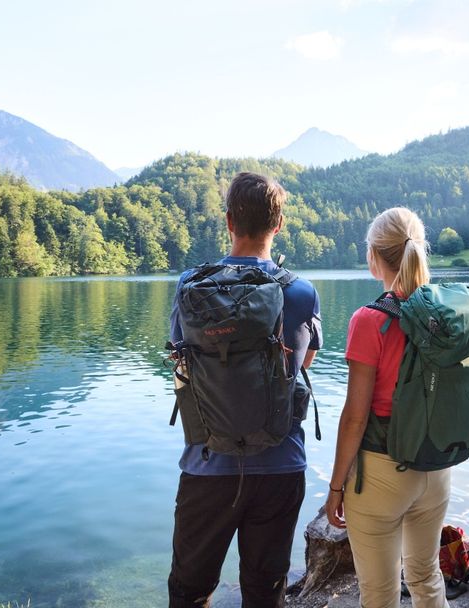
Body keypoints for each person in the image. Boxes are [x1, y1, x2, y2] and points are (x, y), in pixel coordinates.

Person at [167, 172, 323, 608]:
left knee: (189, 591)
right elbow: (301, 363)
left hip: (207, 466)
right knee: (264, 590)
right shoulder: (300, 292)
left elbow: (182, 363)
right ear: (279, 223)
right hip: (280, 464)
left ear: (229, 221)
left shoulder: (190, 286)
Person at [325, 207, 450, 608]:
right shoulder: (444, 312)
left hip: (383, 471)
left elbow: (355, 416)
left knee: (379, 595)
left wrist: (335, 487)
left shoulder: (369, 321)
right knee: (426, 575)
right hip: (436, 467)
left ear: (374, 257)